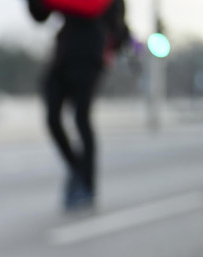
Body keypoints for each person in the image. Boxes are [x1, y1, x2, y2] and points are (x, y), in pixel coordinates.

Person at [29, 0, 128, 210]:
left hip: (91, 55)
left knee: (81, 117)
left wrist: (114, 43)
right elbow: (39, 15)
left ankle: (87, 185)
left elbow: (117, 24)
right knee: (52, 118)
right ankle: (77, 169)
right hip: (63, 55)